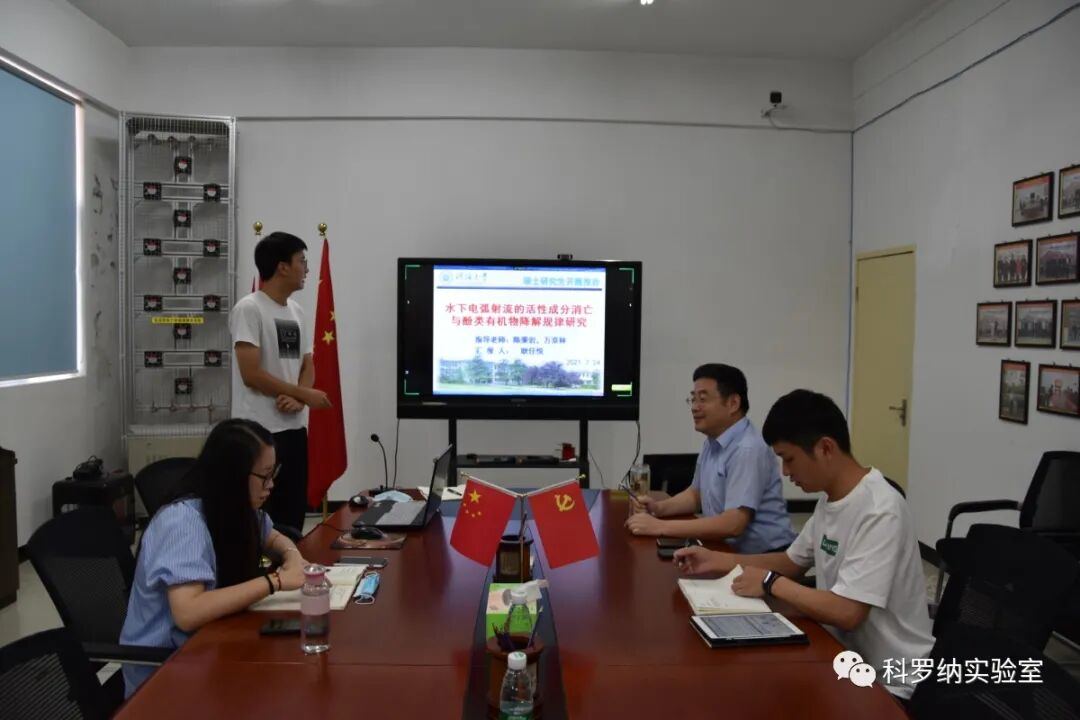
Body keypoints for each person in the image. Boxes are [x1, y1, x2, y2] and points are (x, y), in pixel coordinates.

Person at [674, 390, 933, 699]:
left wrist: (770, 583)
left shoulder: (880, 510)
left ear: (825, 448)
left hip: (890, 682)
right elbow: (790, 562)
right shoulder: (831, 500)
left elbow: (848, 612)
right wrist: (716, 559)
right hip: (841, 657)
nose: (785, 472)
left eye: (789, 459)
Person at [119, 419, 310, 696]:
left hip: (210, 646)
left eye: (274, 473)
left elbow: (272, 537)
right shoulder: (182, 523)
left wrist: (291, 556)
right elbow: (188, 613)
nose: (271, 485)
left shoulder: (231, 506)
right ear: (233, 475)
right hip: (166, 675)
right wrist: (276, 581)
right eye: (264, 476)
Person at [625, 364, 796, 554]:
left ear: (733, 403)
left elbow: (733, 524)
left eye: (703, 399)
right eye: (693, 399)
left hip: (765, 557)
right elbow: (695, 495)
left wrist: (659, 527)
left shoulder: (747, 449)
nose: (694, 407)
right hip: (726, 550)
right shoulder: (713, 441)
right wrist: (658, 508)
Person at [231, 231, 330, 531]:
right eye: (302, 261)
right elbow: (251, 374)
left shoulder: (297, 311)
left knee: (293, 515)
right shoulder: (249, 308)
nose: (307, 269)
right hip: (260, 432)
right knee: (262, 519)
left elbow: (308, 362)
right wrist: (303, 394)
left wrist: (299, 397)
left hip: (294, 430)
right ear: (282, 267)